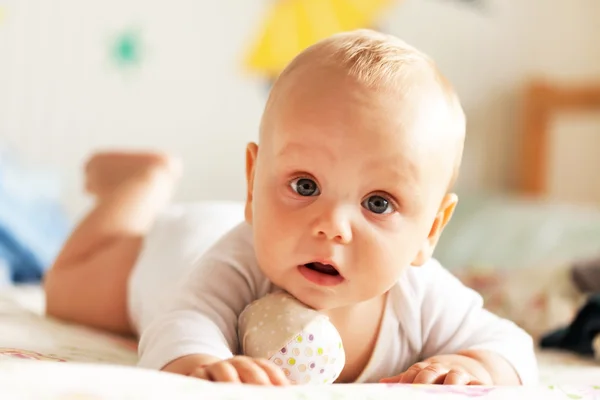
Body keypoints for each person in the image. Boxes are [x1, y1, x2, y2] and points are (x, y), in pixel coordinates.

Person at [44, 29, 538, 386]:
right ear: (254, 180)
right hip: (170, 253)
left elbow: (512, 347)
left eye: (378, 202)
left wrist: (474, 366)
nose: (331, 226)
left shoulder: (422, 297)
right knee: (65, 289)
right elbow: (181, 321)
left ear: (430, 231)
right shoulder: (236, 263)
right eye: (304, 185)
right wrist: (199, 362)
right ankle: (141, 184)